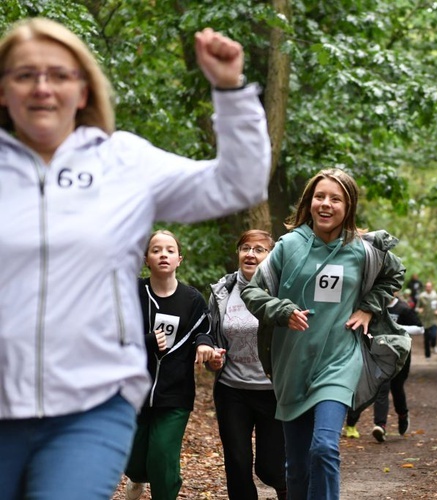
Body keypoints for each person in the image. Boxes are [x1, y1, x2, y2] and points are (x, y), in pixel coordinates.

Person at [0, 17, 270, 500]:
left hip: (91, 404)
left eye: (59, 74)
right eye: (24, 74)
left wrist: (230, 92)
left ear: (83, 91)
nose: (42, 87)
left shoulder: (121, 162)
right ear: (4, 91)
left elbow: (237, 184)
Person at [241, 168, 405, 499]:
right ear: (309, 202)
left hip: (339, 359)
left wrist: (368, 308)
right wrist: (283, 312)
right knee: (297, 469)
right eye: (319, 197)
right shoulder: (289, 246)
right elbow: (253, 293)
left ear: (349, 206)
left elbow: (394, 272)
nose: (325, 204)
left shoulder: (362, 249)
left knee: (325, 448)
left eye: (335, 198)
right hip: (294, 363)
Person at [124, 230, 219, 500]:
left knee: (163, 459)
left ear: (180, 259)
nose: (163, 254)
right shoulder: (133, 293)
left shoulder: (192, 299)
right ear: (146, 259)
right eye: (156, 250)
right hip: (134, 392)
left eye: (169, 250)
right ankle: (136, 478)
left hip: (175, 393)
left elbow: (204, 331)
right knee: (133, 461)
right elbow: (113, 335)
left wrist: (203, 345)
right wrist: (148, 340)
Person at [207, 230, 287, 500]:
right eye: (245, 248)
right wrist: (214, 358)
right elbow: (211, 334)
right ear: (238, 252)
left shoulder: (281, 288)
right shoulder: (222, 291)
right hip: (232, 390)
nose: (251, 254)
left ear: (271, 255)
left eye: (259, 249)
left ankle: (289, 490)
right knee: (238, 464)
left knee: (271, 467)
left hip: (273, 390)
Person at [343, 290, 423, 442]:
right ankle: (380, 426)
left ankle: (403, 415)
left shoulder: (403, 308)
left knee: (397, 388)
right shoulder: (375, 307)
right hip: (380, 355)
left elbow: (420, 328)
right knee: (382, 387)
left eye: (390, 290)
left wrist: (395, 328)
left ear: (396, 291)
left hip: (401, 356)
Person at [417, 281, 437, 358]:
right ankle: (427, 355)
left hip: (434, 319)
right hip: (425, 320)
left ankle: (434, 345)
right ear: (425, 287)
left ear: (432, 287)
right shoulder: (421, 296)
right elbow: (417, 307)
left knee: (434, 335)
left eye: (429, 286)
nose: (428, 288)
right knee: (426, 338)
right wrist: (419, 310)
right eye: (426, 286)